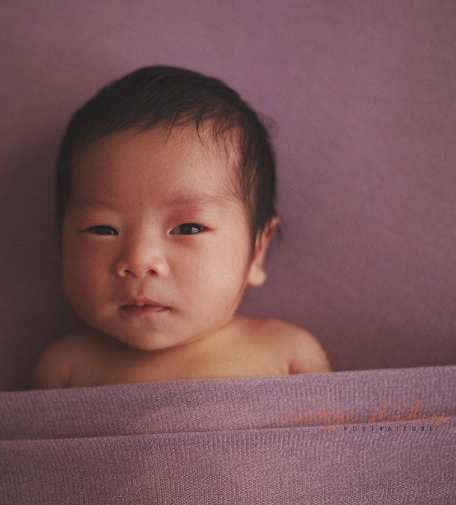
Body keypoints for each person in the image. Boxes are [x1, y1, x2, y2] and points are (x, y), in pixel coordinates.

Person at [33, 65, 331, 389]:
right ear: (61, 244)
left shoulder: (287, 353)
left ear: (258, 251)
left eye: (188, 228)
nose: (139, 260)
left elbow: (340, 439)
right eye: (103, 229)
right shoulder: (66, 368)